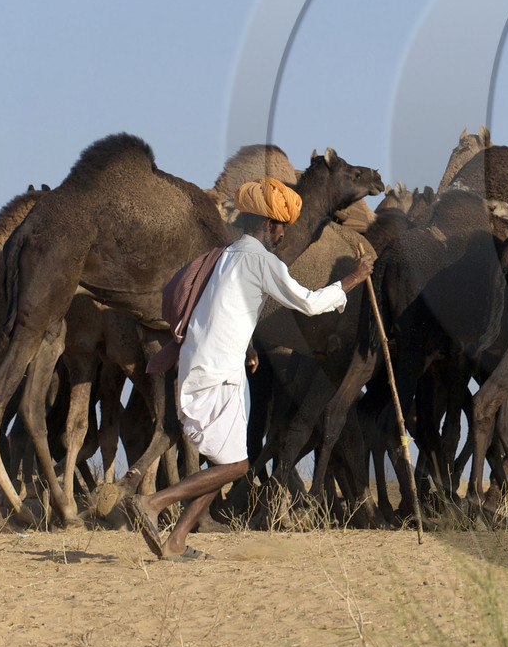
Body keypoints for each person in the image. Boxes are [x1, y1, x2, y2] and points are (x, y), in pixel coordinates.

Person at [126, 177, 374, 560]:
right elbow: (307, 303)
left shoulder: (228, 255)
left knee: (226, 462)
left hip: (208, 365)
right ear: (272, 225)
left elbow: (223, 309)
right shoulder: (261, 260)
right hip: (217, 374)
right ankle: (154, 503)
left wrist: (248, 345)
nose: (283, 235)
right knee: (238, 466)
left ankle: (176, 541)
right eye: (282, 227)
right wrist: (353, 279)